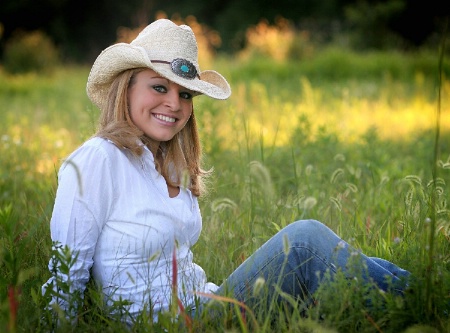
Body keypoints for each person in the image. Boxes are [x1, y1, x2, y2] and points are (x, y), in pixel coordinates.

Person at [42, 19, 409, 326]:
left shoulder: (168, 164)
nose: (174, 104)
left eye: (185, 94)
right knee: (304, 242)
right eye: (159, 87)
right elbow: (66, 273)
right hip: (176, 325)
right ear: (126, 89)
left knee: (363, 265)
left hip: (206, 304)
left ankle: (423, 297)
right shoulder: (96, 160)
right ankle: (424, 305)